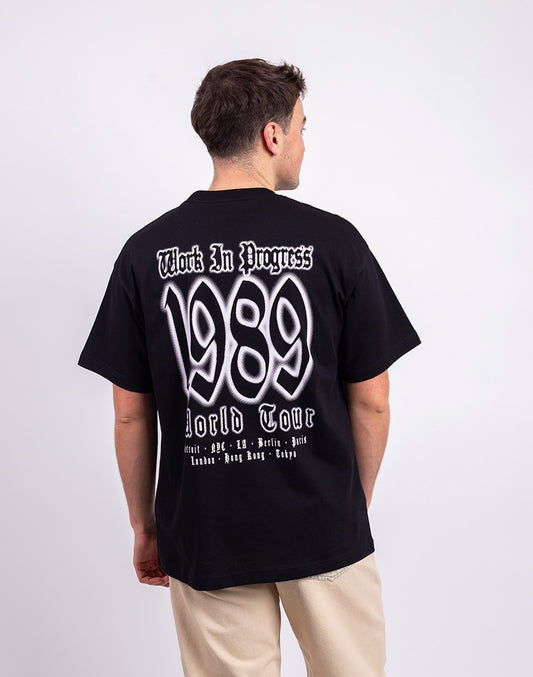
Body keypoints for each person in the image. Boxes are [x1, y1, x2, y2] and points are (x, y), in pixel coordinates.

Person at [78, 57, 421, 677]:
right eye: (301, 129)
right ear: (272, 135)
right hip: (322, 522)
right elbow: (372, 398)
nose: (303, 143)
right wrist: (350, 506)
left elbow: (130, 414)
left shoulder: (145, 253)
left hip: (205, 528)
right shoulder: (335, 242)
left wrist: (146, 526)